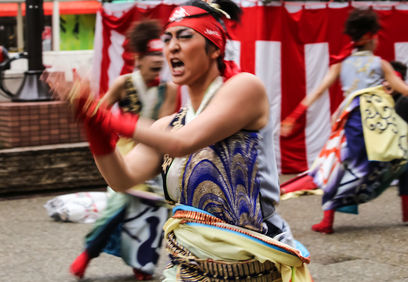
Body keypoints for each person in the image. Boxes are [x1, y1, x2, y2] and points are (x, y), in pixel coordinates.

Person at [48, 1, 311, 281]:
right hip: (189, 267)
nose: (171, 46)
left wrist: (103, 117)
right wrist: (94, 129)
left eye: (185, 37)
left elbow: (183, 143)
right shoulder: (169, 125)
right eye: (168, 38)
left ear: (215, 47)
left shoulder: (246, 88)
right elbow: (121, 179)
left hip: (254, 263)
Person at [280, 8, 408, 234]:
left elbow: (318, 91)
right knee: (401, 157)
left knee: (340, 164)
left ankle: (328, 220)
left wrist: (293, 117)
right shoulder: (380, 64)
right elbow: (404, 90)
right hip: (378, 122)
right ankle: (406, 209)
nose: (378, 39)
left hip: (354, 122)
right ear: (369, 36)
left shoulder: (341, 63)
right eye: (376, 35)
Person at [69, 20, 178, 280]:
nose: (156, 61)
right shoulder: (123, 84)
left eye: (158, 55)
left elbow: (161, 128)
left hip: (154, 157)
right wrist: (85, 107)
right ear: (138, 58)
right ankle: (88, 254)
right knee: (115, 210)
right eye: (151, 55)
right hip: (127, 155)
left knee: (153, 215)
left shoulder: (169, 90)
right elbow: (98, 112)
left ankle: (142, 267)